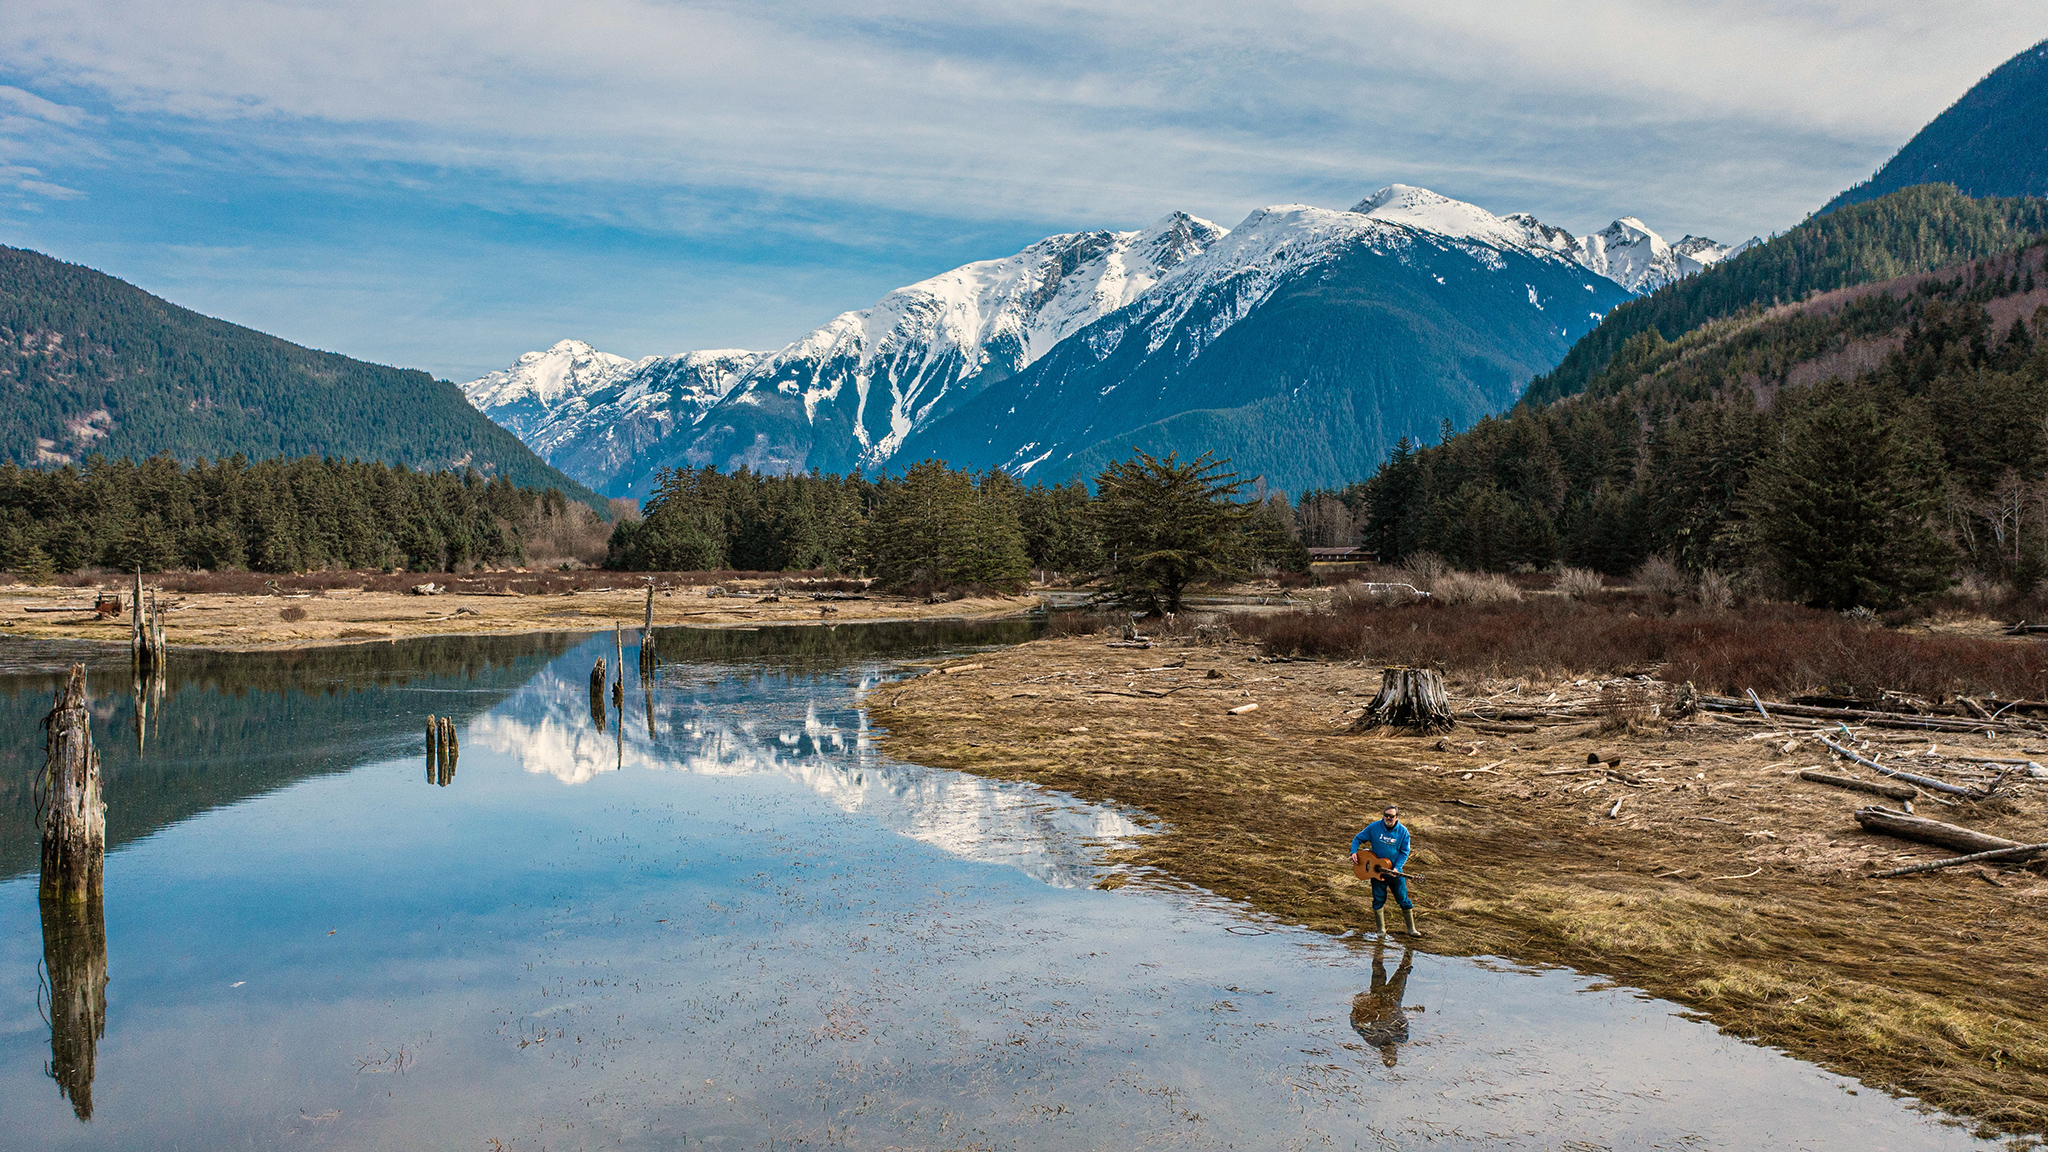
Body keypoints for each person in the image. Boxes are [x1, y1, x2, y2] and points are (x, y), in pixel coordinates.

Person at [1349, 805, 1422, 937]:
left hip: (1395, 872)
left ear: (1397, 817)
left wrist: (1396, 867)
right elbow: (1357, 838)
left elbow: (1405, 852)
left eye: (1391, 816)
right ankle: (1381, 931)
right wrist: (1353, 851)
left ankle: (1411, 929)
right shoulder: (1374, 827)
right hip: (1376, 872)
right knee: (1378, 899)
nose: (1388, 818)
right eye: (1386, 815)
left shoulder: (1403, 832)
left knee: (1403, 899)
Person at [1349, 944, 1416, 1067]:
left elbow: (1356, 1027)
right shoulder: (1401, 1038)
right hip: (1392, 1000)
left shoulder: (1373, 1040)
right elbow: (1403, 1021)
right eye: (1392, 1055)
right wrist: (1393, 1010)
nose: (1389, 1052)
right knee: (1403, 971)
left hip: (1377, 1000)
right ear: (1396, 1053)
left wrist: (1355, 1011)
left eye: (1386, 1056)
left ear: (1382, 1055)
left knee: (1377, 968)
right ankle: (1409, 948)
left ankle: (1379, 946)